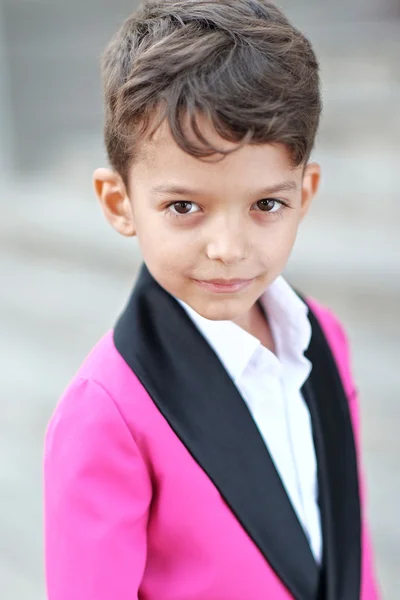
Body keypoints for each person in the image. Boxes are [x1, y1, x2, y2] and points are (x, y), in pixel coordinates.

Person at [43, 1, 380, 598]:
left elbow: (350, 551)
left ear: (306, 194)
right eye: (184, 207)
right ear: (119, 203)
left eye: (266, 205)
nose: (228, 248)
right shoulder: (106, 412)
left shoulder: (322, 337)